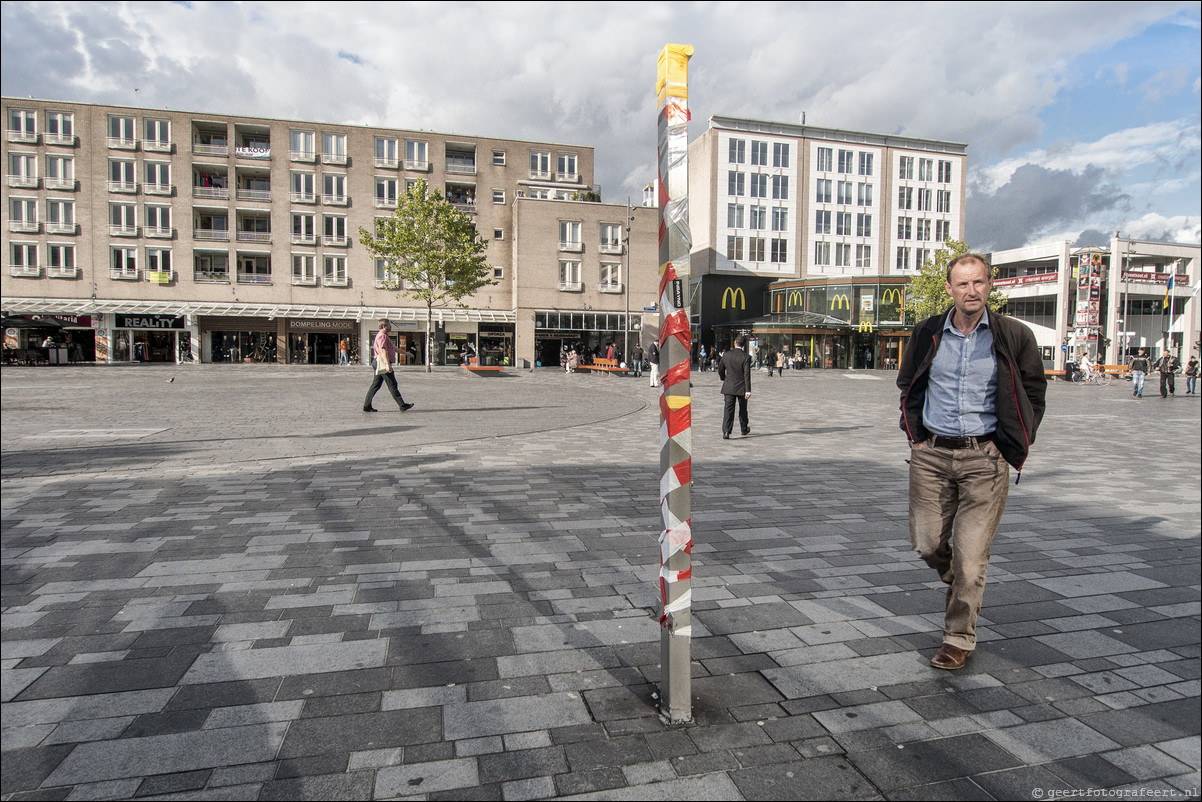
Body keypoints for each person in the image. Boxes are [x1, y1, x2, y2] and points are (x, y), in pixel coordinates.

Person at [897, 253, 1046, 671]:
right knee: (927, 543)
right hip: (931, 454)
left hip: (985, 456)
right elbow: (908, 383)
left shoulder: (1012, 335)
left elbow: (1034, 392)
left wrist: (1012, 442)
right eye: (962, 284)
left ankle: (958, 637)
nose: (971, 291)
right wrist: (917, 438)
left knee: (972, 556)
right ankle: (960, 582)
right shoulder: (927, 331)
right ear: (949, 289)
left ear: (989, 286)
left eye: (978, 282)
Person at [363, 319, 414, 413]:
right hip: (381, 362)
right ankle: (402, 405)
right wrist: (387, 365)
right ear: (384, 326)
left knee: (376, 385)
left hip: (378, 362)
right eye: (389, 325)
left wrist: (405, 353)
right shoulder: (382, 336)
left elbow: (392, 348)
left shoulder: (385, 336)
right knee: (392, 384)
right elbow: (382, 351)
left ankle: (367, 406)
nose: (390, 327)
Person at [718, 334, 752, 439]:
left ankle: (726, 431)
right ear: (744, 345)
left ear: (735, 343)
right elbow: (747, 374)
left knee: (728, 409)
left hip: (729, 386)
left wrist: (723, 378)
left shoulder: (726, 355)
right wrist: (748, 390)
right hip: (741, 386)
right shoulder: (746, 357)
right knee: (743, 408)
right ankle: (744, 428)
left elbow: (720, 368)